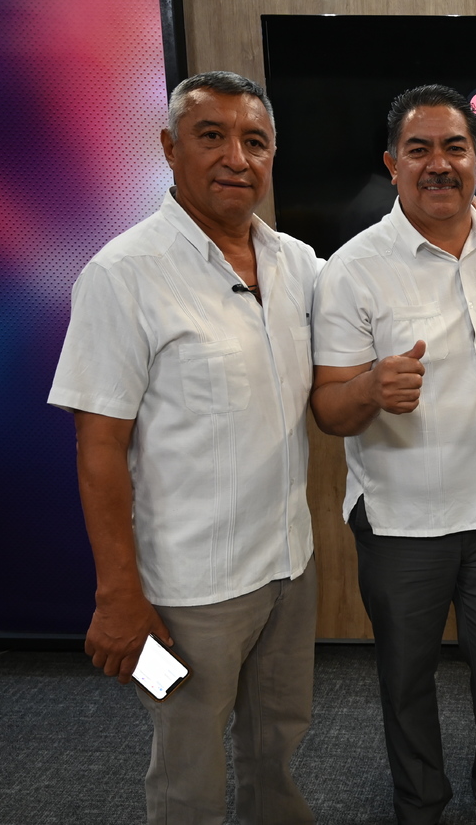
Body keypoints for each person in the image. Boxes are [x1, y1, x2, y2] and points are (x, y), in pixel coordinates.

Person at [48, 71, 320, 825]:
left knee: (279, 742)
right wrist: (117, 597)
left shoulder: (298, 264)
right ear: (170, 149)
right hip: (183, 594)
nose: (236, 157)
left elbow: (376, 295)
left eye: (254, 141)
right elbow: (98, 447)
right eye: (212, 136)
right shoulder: (121, 274)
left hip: (289, 569)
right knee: (186, 763)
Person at [309, 84, 476, 825]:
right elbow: (328, 408)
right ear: (393, 164)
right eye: (419, 150)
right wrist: (371, 388)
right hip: (401, 522)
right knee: (407, 681)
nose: (439, 164)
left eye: (454, 148)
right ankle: (419, 806)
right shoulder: (353, 268)